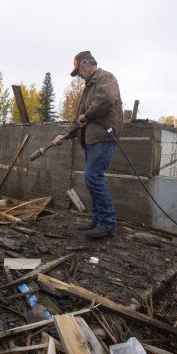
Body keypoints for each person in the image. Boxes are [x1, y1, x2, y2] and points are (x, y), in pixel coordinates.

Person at [52, 51, 123, 238]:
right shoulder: (88, 87)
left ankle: (107, 223)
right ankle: (97, 221)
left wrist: (87, 115)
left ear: (85, 63)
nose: (78, 76)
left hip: (103, 137)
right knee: (92, 181)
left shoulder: (106, 78)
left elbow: (105, 100)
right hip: (91, 140)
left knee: (93, 178)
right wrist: (64, 135)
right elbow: (79, 120)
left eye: (78, 71)